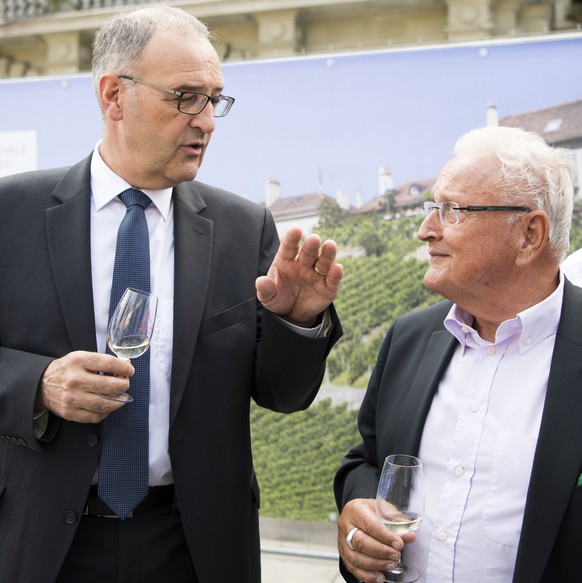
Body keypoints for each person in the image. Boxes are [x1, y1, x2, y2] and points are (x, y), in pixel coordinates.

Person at [0, 5, 343, 583]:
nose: (207, 121)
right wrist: (38, 385)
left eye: (215, 99)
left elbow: (283, 395)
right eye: (186, 97)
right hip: (43, 542)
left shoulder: (243, 228)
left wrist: (299, 321)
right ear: (114, 97)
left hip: (192, 547)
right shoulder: (12, 215)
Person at [334, 125, 580, 583]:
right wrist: (357, 510)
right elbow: (366, 459)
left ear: (529, 234)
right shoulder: (409, 337)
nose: (425, 230)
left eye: (451, 211)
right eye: (432, 208)